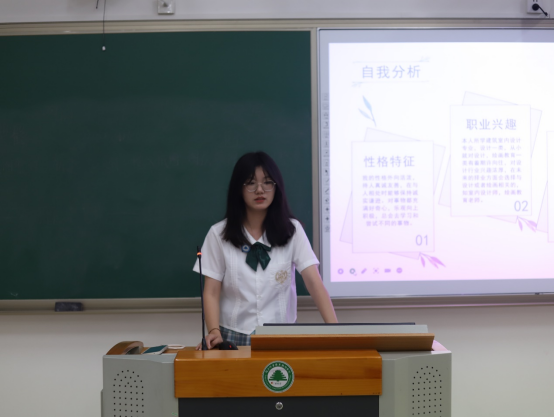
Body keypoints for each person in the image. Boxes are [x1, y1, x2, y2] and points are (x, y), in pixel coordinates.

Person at [193, 151, 337, 349]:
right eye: (251, 183)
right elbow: (211, 291)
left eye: (268, 182)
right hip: (233, 336)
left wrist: (336, 332)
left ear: (277, 187)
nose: (260, 190)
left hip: (282, 334)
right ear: (239, 188)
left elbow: (314, 282)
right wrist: (214, 331)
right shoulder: (218, 234)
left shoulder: (292, 231)